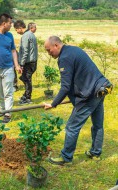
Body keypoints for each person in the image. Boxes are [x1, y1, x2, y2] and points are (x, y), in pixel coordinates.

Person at [43, 36, 112, 165]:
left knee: (71, 127)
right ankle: (95, 153)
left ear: (56, 45)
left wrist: (53, 103)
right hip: (102, 88)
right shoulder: (73, 50)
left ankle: (66, 158)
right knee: (97, 124)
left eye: (49, 50)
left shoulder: (64, 58)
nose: (49, 53)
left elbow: (65, 86)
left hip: (91, 93)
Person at [14, 20, 38, 105]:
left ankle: (27, 98)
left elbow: (25, 51)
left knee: (27, 80)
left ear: (20, 28)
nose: (16, 32)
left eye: (16, 30)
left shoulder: (25, 36)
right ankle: (26, 96)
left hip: (28, 62)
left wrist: (21, 64)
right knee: (25, 78)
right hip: (33, 62)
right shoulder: (31, 34)